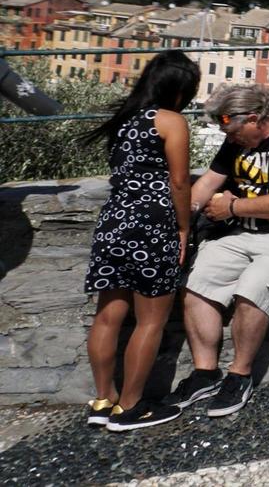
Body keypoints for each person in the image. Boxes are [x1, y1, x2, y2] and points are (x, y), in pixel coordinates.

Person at [165, 84, 269, 417]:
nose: (230, 138)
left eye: (233, 130)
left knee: (253, 287)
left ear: (255, 119)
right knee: (198, 282)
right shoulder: (236, 140)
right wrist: (181, 223)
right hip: (245, 232)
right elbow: (206, 185)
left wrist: (233, 207)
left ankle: (239, 375)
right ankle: (205, 373)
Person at [80, 50, 199, 432]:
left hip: (114, 221)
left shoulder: (124, 120)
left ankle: (103, 400)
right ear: (180, 90)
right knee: (151, 321)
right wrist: (183, 229)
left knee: (108, 315)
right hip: (152, 226)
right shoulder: (171, 121)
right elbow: (179, 182)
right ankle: (130, 408)